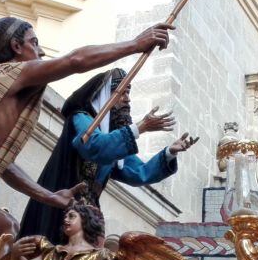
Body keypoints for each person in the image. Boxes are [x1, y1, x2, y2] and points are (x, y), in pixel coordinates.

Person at [0, 16, 173, 260]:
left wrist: (49, 197)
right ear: (17, 47)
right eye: (34, 43)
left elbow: (3, 165)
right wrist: (136, 44)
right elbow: (75, 61)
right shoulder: (16, 71)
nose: (41, 51)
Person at [19, 68, 198, 243]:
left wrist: (169, 153)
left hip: (88, 215)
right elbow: (94, 146)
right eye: (123, 92)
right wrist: (140, 127)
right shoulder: (81, 117)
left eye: (129, 93)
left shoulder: (113, 139)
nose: (128, 100)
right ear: (106, 95)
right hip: (61, 209)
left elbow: (138, 172)